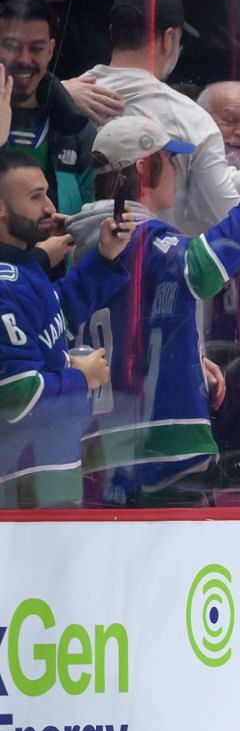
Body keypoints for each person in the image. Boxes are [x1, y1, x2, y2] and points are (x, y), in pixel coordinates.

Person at [64, 115, 240, 505]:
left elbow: (132, 325)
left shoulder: (80, 246)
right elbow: (206, 265)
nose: (175, 169)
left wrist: (186, 355)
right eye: (169, 159)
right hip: (163, 452)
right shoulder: (144, 238)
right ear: (143, 165)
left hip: (97, 456)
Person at [0, 149, 120, 507]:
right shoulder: (4, 285)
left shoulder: (24, 270)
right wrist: (80, 377)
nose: (50, 208)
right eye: (36, 197)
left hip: (47, 476)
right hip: (20, 487)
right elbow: (18, 398)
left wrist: (104, 257)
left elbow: (57, 311)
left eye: (47, 194)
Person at [84, 0, 240, 238]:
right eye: (179, 40)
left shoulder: (68, 97)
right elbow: (227, 217)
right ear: (168, 38)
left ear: (111, 34)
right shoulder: (192, 120)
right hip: (163, 269)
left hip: (81, 263)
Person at [2, 0, 95, 212]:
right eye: (12, 47)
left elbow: (96, 213)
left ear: (51, 50)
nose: (24, 59)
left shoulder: (75, 128)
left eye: (36, 48)